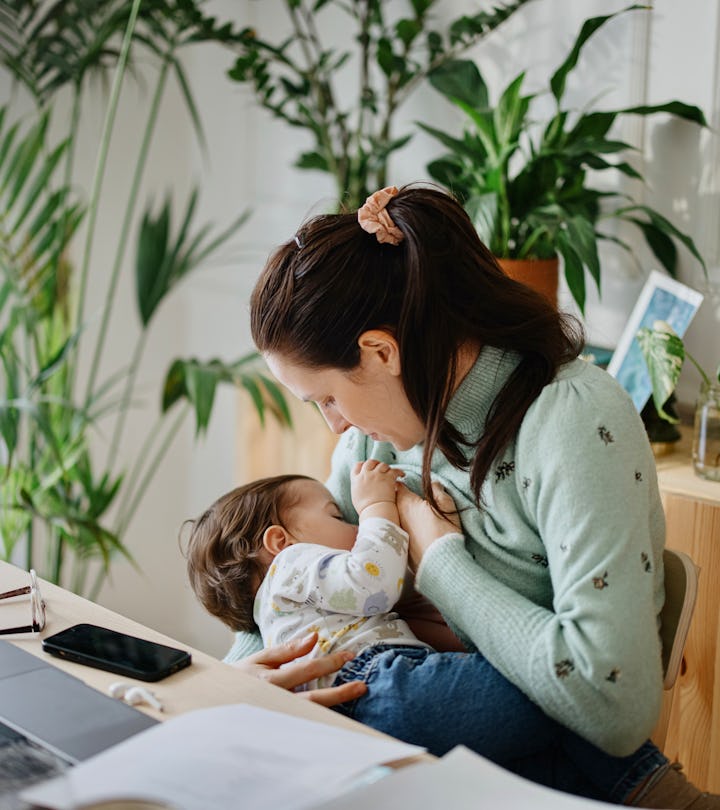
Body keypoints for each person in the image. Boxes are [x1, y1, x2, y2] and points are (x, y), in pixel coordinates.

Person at [226, 184, 717, 808]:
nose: (334, 427)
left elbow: (615, 706)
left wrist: (441, 563)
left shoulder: (570, 422)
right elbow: (292, 575)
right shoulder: (370, 450)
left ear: (380, 352)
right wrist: (240, 678)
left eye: (325, 398)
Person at [185, 460, 567, 762]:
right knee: (548, 692)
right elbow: (374, 582)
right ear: (279, 540)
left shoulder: (290, 604)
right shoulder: (291, 565)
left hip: (364, 704)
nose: (354, 527)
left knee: (542, 749)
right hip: (378, 682)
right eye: (337, 516)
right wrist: (376, 507)